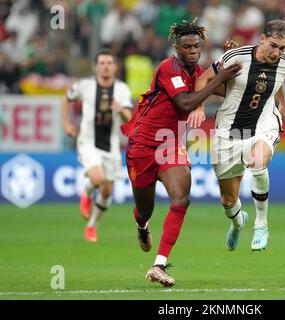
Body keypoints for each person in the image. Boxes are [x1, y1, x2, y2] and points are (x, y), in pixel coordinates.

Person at [120, 20, 241, 287]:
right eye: (186, 46)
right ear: (176, 48)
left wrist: (230, 63)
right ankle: (141, 227)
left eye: (196, 46)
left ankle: (159, 265)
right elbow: (186, 102)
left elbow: (229, 90)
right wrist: (218, 77)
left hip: (169, 145)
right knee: (144, 210)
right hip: (142, 145)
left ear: (202, 46)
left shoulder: (199, 73)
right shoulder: (168, 67)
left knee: (181, 199)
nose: (192, 50)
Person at [193, 19, 285, 252]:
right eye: (273, 46)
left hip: (263, 124)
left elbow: (278, 78)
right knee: (228, 201)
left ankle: (261, 224)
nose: (277, 52)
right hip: (229, 131)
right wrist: (199, 107)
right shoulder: (236, 56)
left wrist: (282, 102)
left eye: (282, 48)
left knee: (258, 162)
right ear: (261, 39)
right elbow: (203, 78)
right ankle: (238, 223)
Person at [61, 49, 133, 242]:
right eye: (102, 63)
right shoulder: (85, 86)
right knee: (97, 177)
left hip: (111, 145)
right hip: (88, 142)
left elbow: (129, 117)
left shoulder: (122, 89)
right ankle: (86, 193)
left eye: (109, 63)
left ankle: (92, 225)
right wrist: (67, 124)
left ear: (115, 67)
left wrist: (121, 110)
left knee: (108, 191)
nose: (106, 66)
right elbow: (66, 99)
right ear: (95, 66)